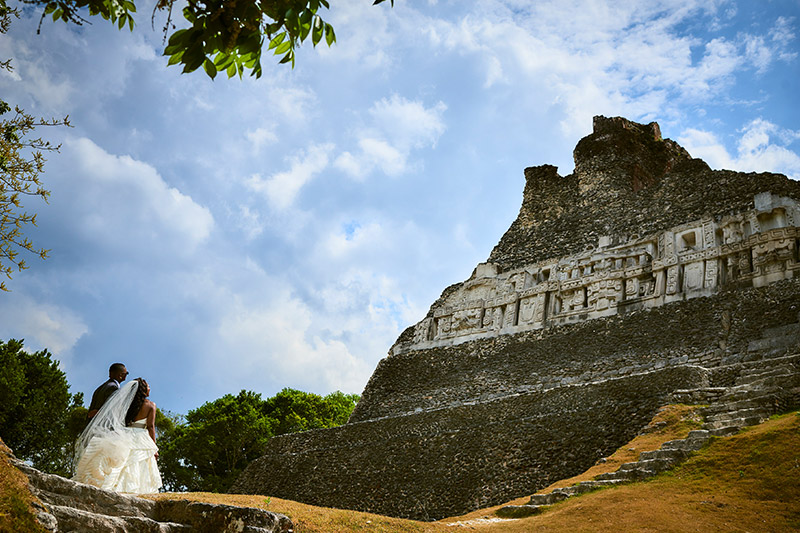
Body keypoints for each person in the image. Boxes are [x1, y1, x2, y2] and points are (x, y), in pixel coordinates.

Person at [73, 378, 162, 494]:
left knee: (123, 463)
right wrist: (154, 447)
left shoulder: (127, 404)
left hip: (125, 434)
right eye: (148, 386)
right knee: (137, 463)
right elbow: (150, 426)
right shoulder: (151, 405)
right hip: (141, 436)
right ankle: (134, 488)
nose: (150, 388)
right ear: (144, 389)